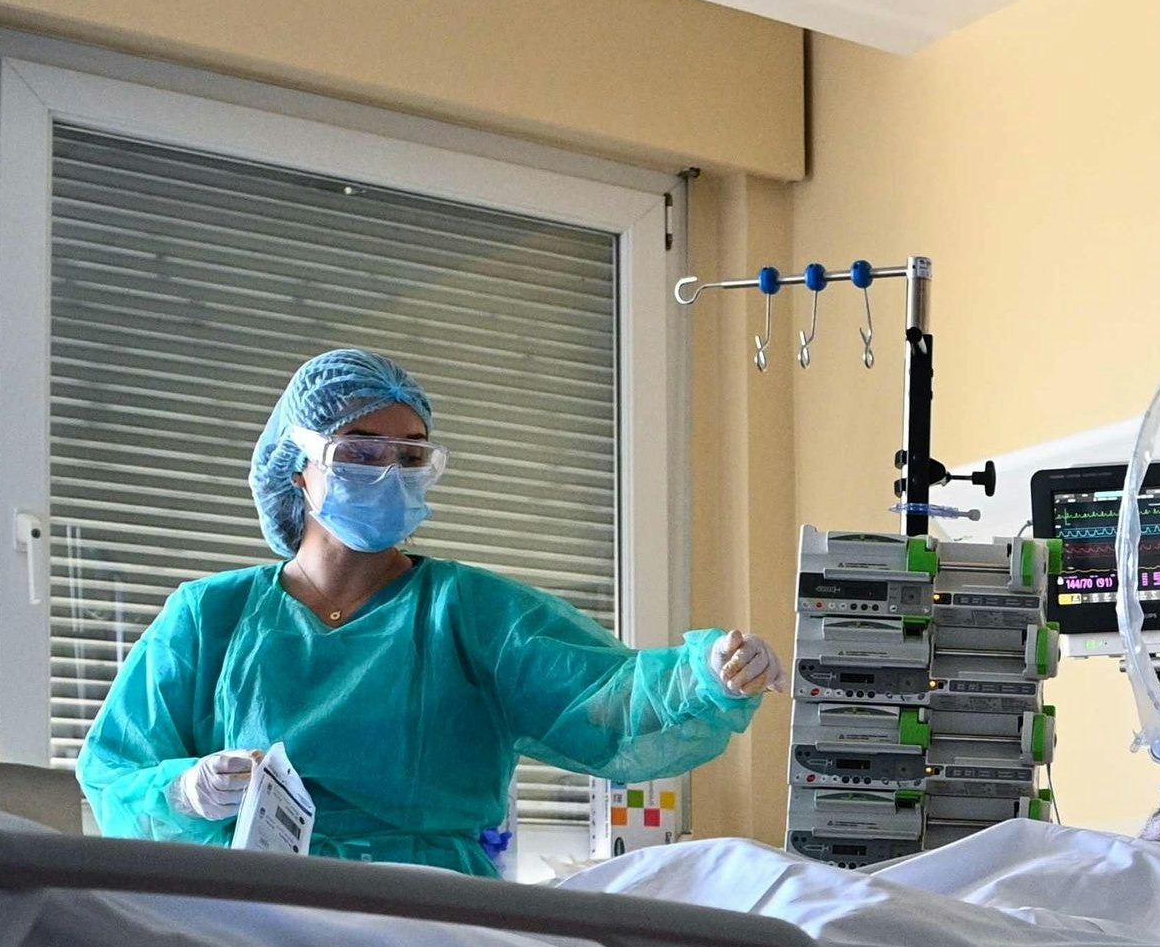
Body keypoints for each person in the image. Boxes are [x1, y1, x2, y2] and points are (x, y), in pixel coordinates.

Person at [78, 348, 783, 871]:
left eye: (412, 456)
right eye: (360, 452)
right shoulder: (210, 617)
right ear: (298, 469)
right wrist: (186, 790)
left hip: (429, 915)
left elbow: (608, 699)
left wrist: (705, 674)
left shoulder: (470, 613)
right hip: (257, 910)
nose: (389, 472)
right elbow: (114, 772)